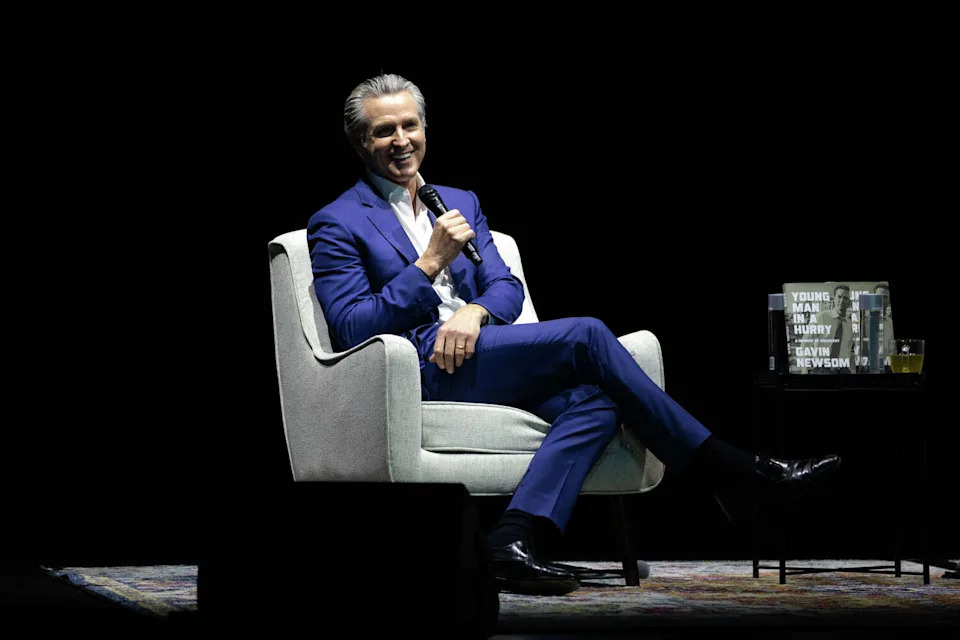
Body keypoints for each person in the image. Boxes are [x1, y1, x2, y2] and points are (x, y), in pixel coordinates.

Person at [307, 74, 841, 596]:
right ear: (360, 142)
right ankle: (729, 468)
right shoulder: (338, 220)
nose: (401, 141)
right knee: (586, 334)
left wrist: (473, 311)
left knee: (599, 400)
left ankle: (512, 540)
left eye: (409, 126)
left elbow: (505, 288)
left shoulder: (460, 201)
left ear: (425, 128)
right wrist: (427, 266)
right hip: (421, 364)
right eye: (384, 132)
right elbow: (352, 324)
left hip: (482, 350)